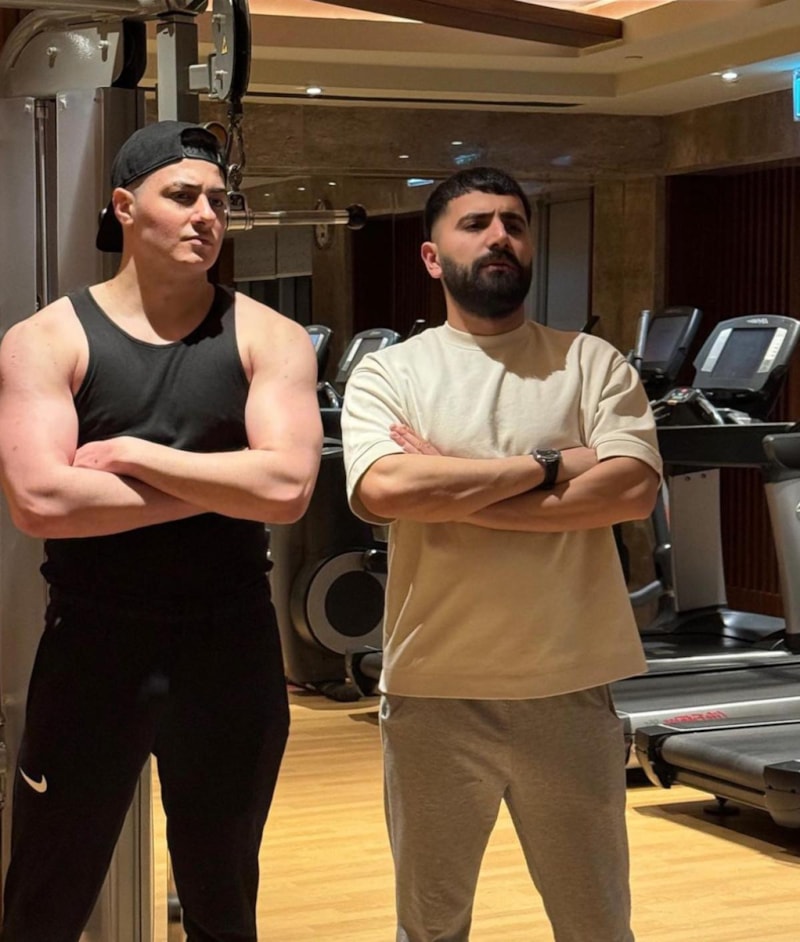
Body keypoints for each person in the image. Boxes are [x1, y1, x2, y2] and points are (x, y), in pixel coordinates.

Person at [0, 120, 322, 942]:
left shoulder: (269, 337)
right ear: (124, 206)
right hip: (92, 645)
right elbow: (41, 501)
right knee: (43, 901)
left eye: (218, 200)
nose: (206, 215)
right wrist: (228, 484)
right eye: (182, 196)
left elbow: (288, 489)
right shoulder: (46, 339)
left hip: (230, 647)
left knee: (223, 902)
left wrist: (138, 458)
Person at [341, 166, 662, 942]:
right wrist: (553, 466)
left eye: (513, 224)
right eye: (476, 224)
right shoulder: (391, 373)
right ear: (431, 256)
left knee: (596, 926)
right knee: (431, 928)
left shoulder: (592, 363)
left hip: (570, 687)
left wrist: (454, 489)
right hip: (434, 692)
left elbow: (630, 490)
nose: (499, 238)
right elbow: (386, 487)